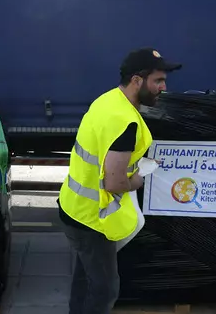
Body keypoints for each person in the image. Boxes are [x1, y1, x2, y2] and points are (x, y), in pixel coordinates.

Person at [57, 48, 182, 314]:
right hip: (92, 220)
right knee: (104, 289)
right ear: (137, 80)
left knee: (86, 278)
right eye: (158, 81)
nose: (163, 87)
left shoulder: (108, 100)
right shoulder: (125, 122)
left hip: (75, 206)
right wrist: (139, 178)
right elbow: (114, 184)